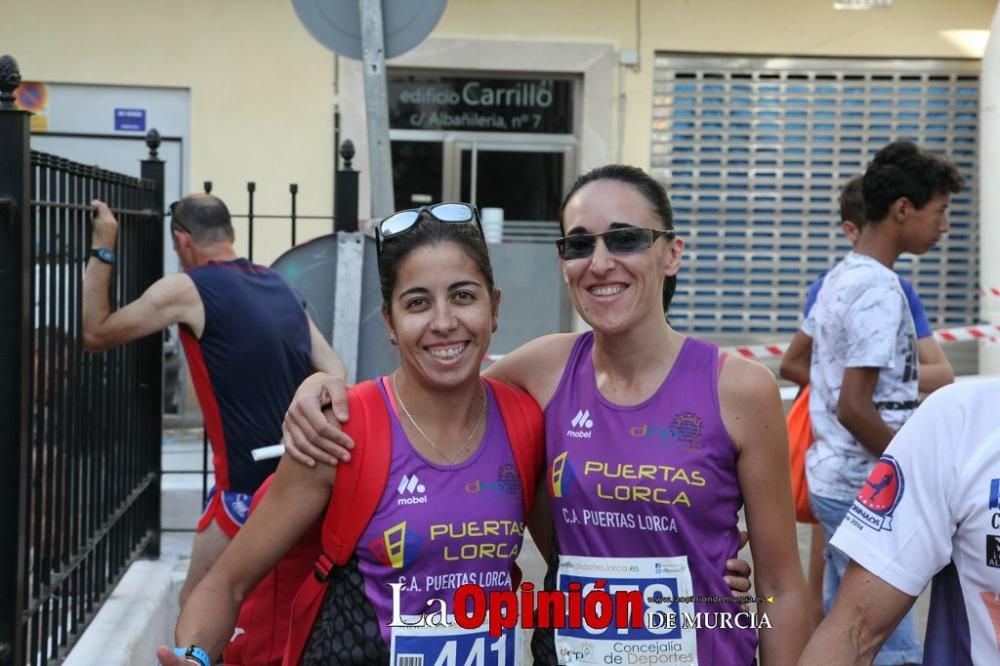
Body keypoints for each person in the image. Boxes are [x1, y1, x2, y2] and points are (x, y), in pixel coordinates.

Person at [287, 165, 811, 664]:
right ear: (564, 263)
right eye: (580, 244)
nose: (600, 262)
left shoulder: (739, 389)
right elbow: (427, 398)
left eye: (625, 238)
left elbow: (781, 587)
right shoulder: (543, 370)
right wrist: (322, 387)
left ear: (671, 254)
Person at [156, 206, 544, 666]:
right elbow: (227, 582)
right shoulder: (340, 432)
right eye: (417, 302)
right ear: (390, 324)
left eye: (463, 296)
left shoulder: (524, 421)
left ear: (494, 308)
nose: (443, 322)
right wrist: (195, 655)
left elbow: (576, 560)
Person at [81, 195, 346, 604]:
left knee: (198, 612)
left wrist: (105, 242)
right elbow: (335, 370)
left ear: (183, 240)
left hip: (243, 490)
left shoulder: (188, 288)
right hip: (305, 479)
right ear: (232, 234)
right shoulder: (276, 282)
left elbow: (96, 332)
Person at [793, 141, 963, 664]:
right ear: (903, 209)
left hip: (839, 483)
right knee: (890, 645)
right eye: (940, 212)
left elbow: (811, 371)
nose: (945, 226)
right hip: (864, 489)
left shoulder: (841, 278)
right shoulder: (880, 291)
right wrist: (912, 472)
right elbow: (854, 407)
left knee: (846, 632)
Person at [800, 377, 1000, 664]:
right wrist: (914, 458)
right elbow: (852, 631)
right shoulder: (961, 419)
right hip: (846, 486)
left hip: (836, 481)